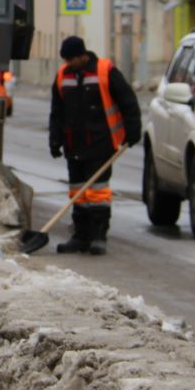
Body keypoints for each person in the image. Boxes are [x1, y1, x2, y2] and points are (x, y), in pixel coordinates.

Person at [48, 36, 141, 254]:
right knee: (78, 192)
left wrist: (133, 130)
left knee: (98, 193)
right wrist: (55, 140)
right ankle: (80, 236)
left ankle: (99, 236)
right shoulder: (63, 76)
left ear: (83, 55)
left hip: (101, 143)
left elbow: (128, 102)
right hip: (74, 145)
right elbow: (57, 112)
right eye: (66, 60)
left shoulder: (105, 71)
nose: (69, 64)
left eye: (72, 59)